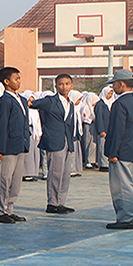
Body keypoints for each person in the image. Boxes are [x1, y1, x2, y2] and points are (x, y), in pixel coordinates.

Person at [30, 74, 78, 214]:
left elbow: (70, 125)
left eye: (67, 84)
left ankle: (61, 202)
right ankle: (52, 203)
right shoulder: (50, 101)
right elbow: (33, 104)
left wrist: (71, 144)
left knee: (65, 174)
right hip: (54, 142)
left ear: (71, 86)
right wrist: (30, 100)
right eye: (61, 84)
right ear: (56, 86)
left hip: (66, 142)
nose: (64, 87)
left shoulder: (71, 104)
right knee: (55, 174)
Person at [104, 70, 133, 230]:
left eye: (114, 84)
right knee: (131, 186)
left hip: (122, 151)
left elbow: (117, 130)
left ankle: (126, 218)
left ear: (121, 84)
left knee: (122, 187)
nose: (113, 87)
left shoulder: (120, 103)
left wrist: (112, 152)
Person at [0, 67, 30, 224]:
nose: (18, 81)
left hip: (20, 144)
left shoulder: (22, 99)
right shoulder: (5, 101)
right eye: (16, 79)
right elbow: (0, 126)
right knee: (4, 179)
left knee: (16, 181)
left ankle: (9, 208)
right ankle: (0, 211)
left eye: (19, 78)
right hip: (8, 146)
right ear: (6, 81)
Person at [22, 90, 43, 180]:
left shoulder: (35, 111)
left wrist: (39, 133)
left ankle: (32, 172)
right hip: (28, 131)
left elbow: (38, 123)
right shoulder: (24, 110)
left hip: (35, 132)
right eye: (29, 100)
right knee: (28, 154)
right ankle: (25, 173)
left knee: (35, 153)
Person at [94, 87, 115, 172]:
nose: (109, 95)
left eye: (111, 94)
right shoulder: (100, 104)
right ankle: (103, 164)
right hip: (103, 129)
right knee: (102, 146)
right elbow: (99, 118)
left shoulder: (111, 103)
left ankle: (107, 163)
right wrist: (101, 130)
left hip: (109, 129)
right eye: (108, 93)